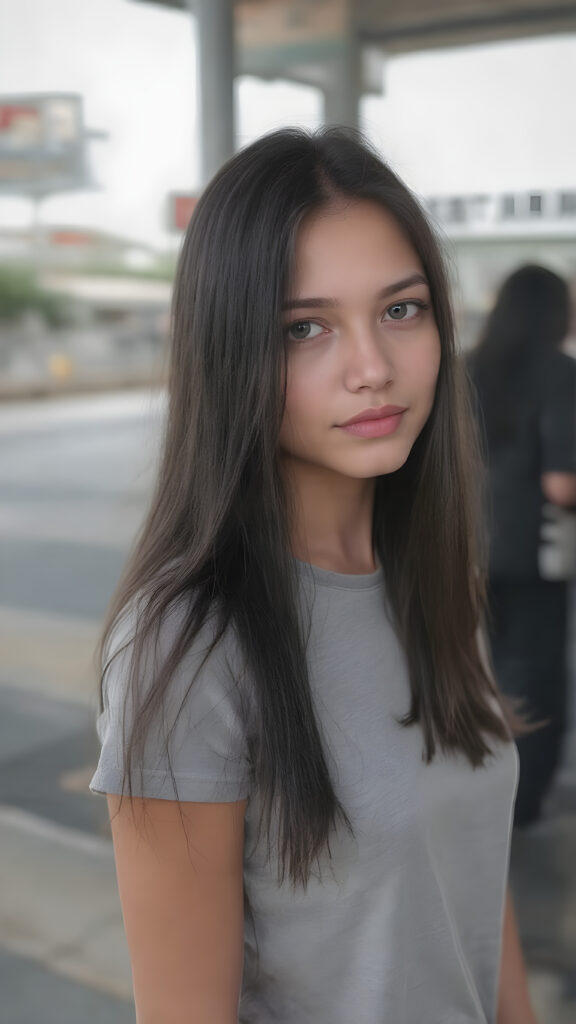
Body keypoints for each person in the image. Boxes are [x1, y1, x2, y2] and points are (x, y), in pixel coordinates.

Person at [90, 128, 536, 1023]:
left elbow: (472, 888)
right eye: (306, 328)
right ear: (231, 353)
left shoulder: (437, 578)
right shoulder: (185, 644)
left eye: (401, 310)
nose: (372, 368)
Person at [468, 265, 576, 829]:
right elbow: (563, 483)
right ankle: (520, 810)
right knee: (532, 683)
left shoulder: (464, 370)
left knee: (470, 677)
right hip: (534, 557)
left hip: (461, 551)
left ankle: (473, 797)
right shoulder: (562, 374)